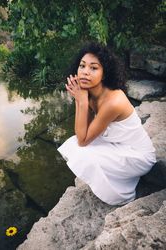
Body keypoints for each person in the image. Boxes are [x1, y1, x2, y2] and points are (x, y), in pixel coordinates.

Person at [57, 42, 156, 205]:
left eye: (93, 68)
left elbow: (83, 140)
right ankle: (121, 175)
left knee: (81, 151)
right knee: (74, 144)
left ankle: (124, 195)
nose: (85, 72)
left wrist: (81, 101)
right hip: (119, 145)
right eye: (82, 66)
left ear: (104, 74)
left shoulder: (113, 101)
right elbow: (84, 131)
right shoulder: (90, 94)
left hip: (139, 157)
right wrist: (81, 99)